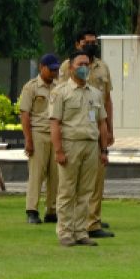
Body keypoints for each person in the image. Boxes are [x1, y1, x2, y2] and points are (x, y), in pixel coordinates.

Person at [50, 50, 110, 247]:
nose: (84, 68)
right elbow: (55, 124)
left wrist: (104, 150)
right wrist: (58, 150)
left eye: (87, 64)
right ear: (70, 68)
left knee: (86, 192)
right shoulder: (60, 92)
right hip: (70, 144)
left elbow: (102, 122)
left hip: (91, 145)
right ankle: (65, 232)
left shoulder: (95, 93)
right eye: (80, 64)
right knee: (67, 190)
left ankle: (81, 231)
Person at [61, 30, 115, 238]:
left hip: (95, 129)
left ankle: (92, 223)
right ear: (77, 44)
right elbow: (61, 100)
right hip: (73, 131)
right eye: (86, 42)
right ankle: (69, 227)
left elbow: (107, 100)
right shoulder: (67, 67)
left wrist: (109, 129)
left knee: (95, 182)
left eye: (94, 42)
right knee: (69, 186)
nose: (91, 45)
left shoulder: (102, 67)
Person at [19, 54, 61, 225]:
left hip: (55, 134)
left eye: (56, 69)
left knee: (55, 175)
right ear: (41, 68)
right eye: (51, 69)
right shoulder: (31, 87)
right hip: (38, 133)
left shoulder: (59, 87)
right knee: (37, 174)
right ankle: (32, 210)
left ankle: (52, 210)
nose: (54, 72)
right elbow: (25, 115)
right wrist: (28, 140)